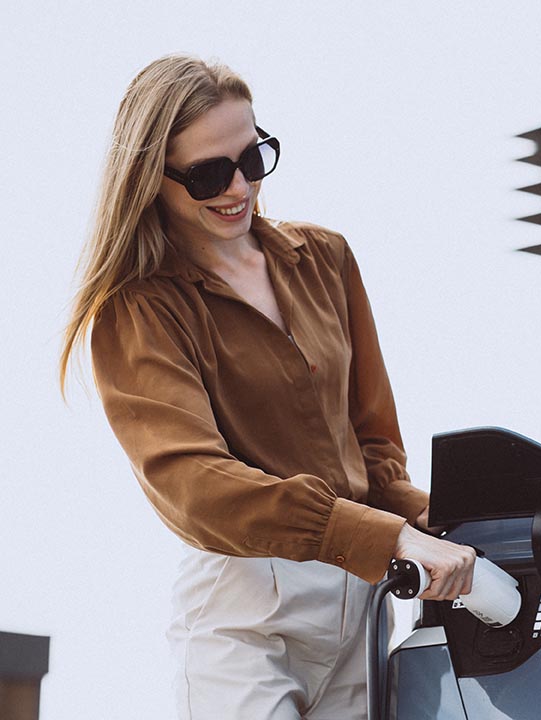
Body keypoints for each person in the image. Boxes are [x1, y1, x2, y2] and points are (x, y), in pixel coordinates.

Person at [59, 54, 475, 719]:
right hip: (243, 617)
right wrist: (388, 538)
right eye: (207, 174)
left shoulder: (327, 260)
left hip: (359, 608)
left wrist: (439, 519)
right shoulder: (138, 313)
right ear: (151, 179)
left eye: (251, 159)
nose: (237, 188)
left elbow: (372, 451)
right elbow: (197, 487)